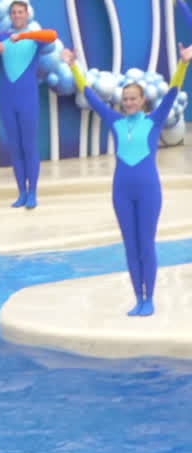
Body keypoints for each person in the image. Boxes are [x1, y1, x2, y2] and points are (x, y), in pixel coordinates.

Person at [62, 43, 192, 317]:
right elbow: (90, 95)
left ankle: (150, 299)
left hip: (148, 191)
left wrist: (183, 64)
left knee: (146, 244)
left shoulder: (154, 120)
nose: (129, 102)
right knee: (130, 246)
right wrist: (74, 66)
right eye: (126, 98)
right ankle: (137, 297)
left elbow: (171, 92)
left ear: (143, 101)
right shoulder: (114, 120)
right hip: (121, 191)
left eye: (133, 98)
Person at [0, 1, 58, 209]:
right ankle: (22, 193)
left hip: (28, 98)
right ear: (10, 16)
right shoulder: (3, 36)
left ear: (27, 14)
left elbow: (52, 35)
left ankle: (33, 192)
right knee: (15, 147)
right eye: (14, 12)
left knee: (29, 145)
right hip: (7, 97)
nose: (17, 15)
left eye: (20, 12)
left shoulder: (34, 37)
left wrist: (23, 36)